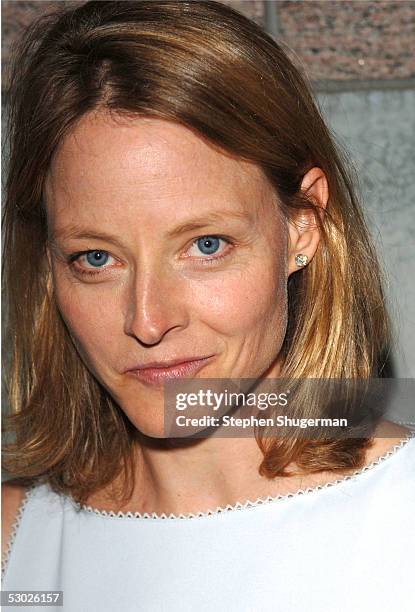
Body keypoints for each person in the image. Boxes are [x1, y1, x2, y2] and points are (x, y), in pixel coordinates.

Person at [1, 1, 414, 611]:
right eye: (96, 258)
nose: (147, 321)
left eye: (205, 245)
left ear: (304, 227)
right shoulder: (13, 545)